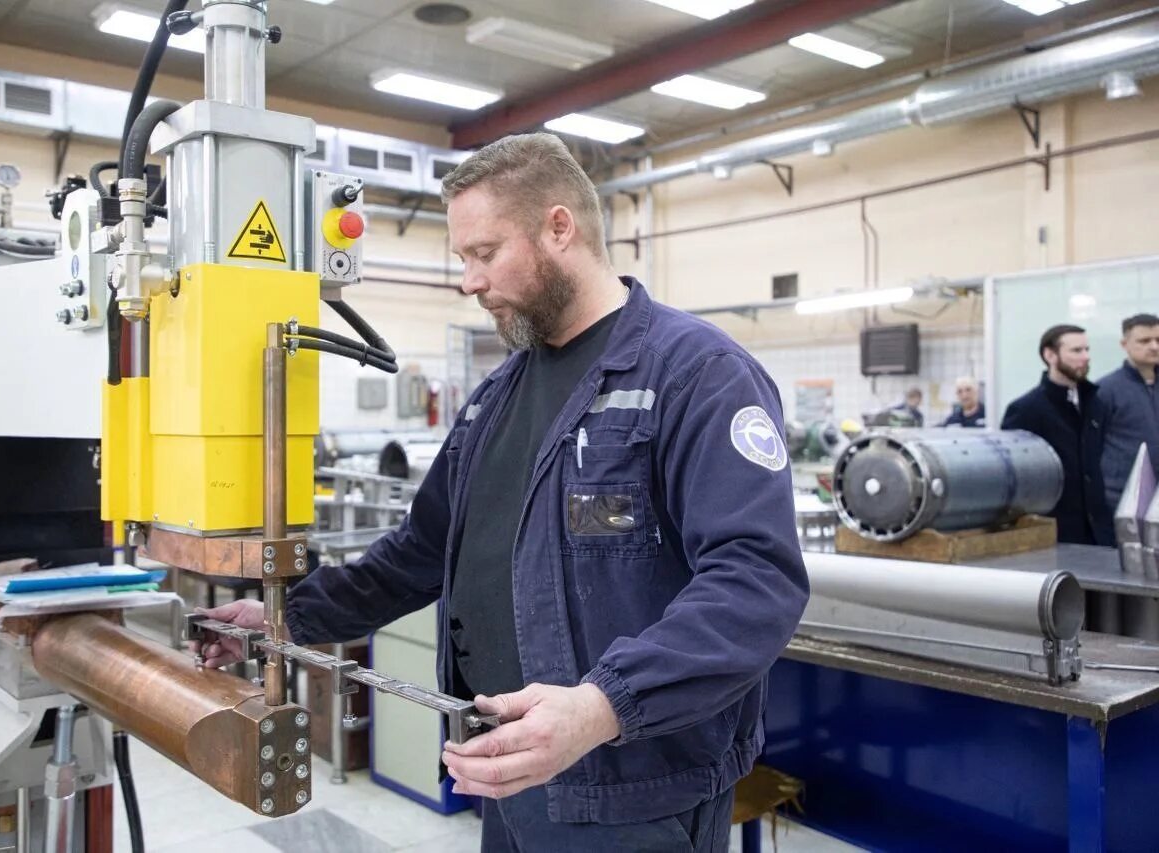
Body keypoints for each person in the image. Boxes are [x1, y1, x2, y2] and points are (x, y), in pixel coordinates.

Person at [198, 133, 809, 851]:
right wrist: (286, 618)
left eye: (484, 253)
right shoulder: (495, 400)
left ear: (559, 228)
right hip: (510, 771)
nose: (469, 281)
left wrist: (601, 704)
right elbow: (416, 554)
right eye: (463, 259)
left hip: (633, 791)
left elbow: (755, 580)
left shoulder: (696, 375)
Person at [1001, 324, 1113, 546]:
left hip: (1098, 532)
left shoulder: (1095, 403)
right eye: (1076, 351)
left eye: (1087, 349)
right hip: (1055, 533)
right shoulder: (1026, 410)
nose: (1086, 357)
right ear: (1050, 355)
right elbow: (1015, 478)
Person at [1098, 313, 1159, 509]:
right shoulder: (1105, 390)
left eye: (1158, 340)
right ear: (1124, 344)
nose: (1154, 346)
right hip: (1124, 499)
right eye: (1144, 341)